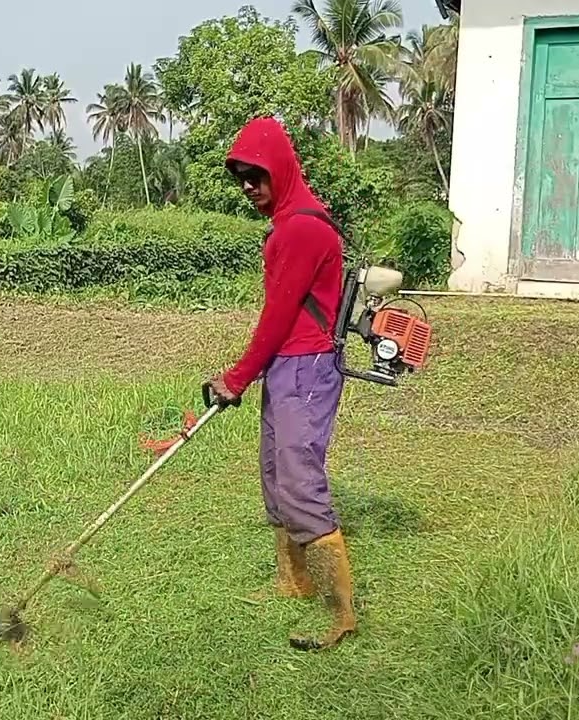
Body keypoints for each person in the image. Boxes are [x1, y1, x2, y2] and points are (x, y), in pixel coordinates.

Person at [207, 116, 356, 651]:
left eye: (257, 175)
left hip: (307, 367)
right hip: (288, 366)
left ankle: (340, 616)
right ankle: (294, 581)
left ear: (282, 169)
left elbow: (277, 314)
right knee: (276, 473)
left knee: (298, 479)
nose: (249, 186)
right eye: (240, 177)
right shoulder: (292, 221)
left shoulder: (301, 228)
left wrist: (236, 378)